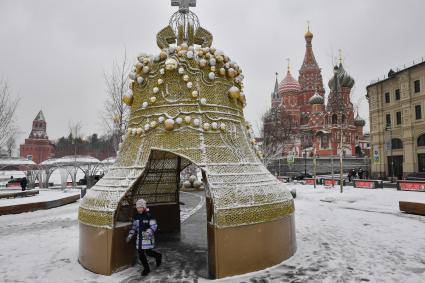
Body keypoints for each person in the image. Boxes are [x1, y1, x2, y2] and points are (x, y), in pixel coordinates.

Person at [126, 198, 162, 276]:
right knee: (141, 254)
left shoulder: (149, 215)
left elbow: (154, 226)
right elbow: (134, 227)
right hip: (139, 239)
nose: (138, 209)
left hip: (148, 238)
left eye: (140, 207)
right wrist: (130, 234)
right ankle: (146, 268)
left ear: (144, 207)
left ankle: (158, 256)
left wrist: (148, 232)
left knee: (148, 252)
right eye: (137, 208)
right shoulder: (136, 217)